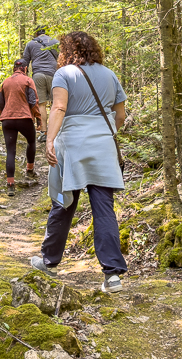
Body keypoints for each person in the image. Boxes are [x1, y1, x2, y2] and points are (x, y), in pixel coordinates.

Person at [29, 30, 128, 293]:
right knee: (104, 209)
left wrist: (49, 140)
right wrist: (106, 133)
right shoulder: (110, 75)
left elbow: (59, 108)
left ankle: (49, 261)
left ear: (67, 51)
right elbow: (120, 114)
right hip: (103, 146)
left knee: (64, 203)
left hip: (72, 144)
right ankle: (113, 275)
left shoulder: (65, 73)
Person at [0, 59, 40, 196]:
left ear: (14, 68)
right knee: (32, 141)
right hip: (24, 118)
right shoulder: (28, 81)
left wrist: (4, 115)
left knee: (10, 151)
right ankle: (30, 170)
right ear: (25, 68)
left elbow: (1, 102)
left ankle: (10, 184)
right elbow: (33, 101)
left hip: (7, 119)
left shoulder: (5, 82)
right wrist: (38, 117)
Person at [21, 26, 60, 136]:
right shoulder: (55, 42)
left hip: (38, 75)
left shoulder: (31, 44)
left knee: (41, 104)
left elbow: (25, 63)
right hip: (54, 75)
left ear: (36, 33)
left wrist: (25, 78)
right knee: (56, 104)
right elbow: (62, 59)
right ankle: (55, 131)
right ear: (47, 32)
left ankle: (44, 132)